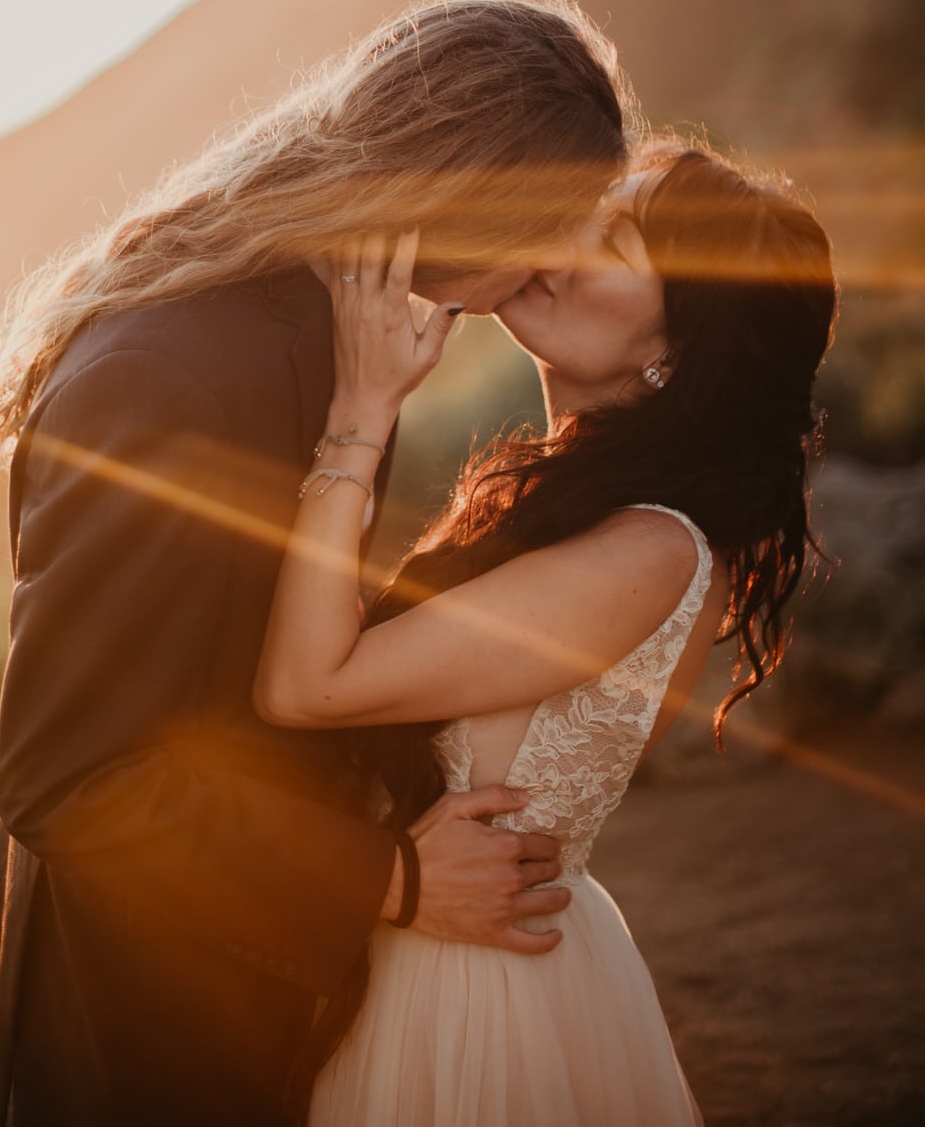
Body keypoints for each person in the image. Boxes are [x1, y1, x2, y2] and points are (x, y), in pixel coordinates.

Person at [0, 0, 629, 1126]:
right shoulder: (173, 378)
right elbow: (67, 773)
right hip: (140, 1022)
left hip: (243, 974)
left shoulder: (346, 327)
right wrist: (390, 880)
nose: (560, 261)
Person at [254, 143, 838, 1125]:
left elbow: (306, 686)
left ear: (680, 342)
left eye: (616, 237)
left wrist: (360, 408)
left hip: (468, 994)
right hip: (437, 948)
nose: (564, 240)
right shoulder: (573, 507)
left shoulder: (649, 549)